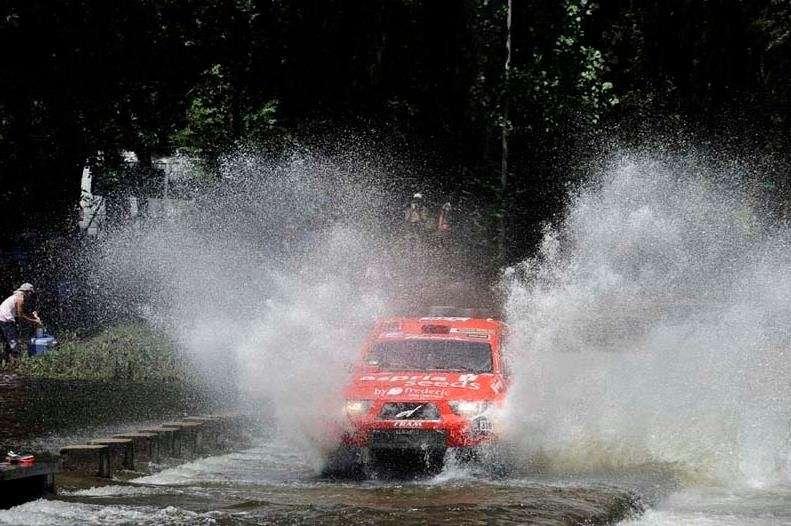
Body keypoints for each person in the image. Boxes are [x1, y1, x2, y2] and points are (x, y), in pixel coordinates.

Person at [0, 283, 42, 365]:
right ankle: (16, 364)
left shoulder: (17, 296)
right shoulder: (20, 298)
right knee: (14, 343)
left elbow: (24, 312)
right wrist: (34, 321)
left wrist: (33, 316)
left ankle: (6, 363)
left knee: (7, 342)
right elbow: (21, 316)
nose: (31, 295)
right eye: (31, 292)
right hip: (5, 320)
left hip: (2, 318)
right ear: (27, 291)